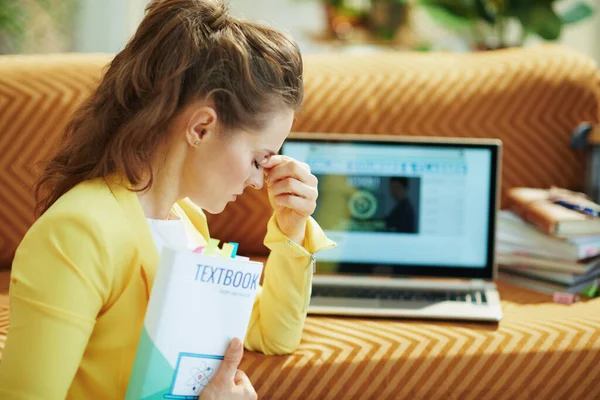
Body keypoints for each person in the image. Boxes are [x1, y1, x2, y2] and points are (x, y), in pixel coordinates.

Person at [0, 0, 335, 398]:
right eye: (258, 158)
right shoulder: (79, 233)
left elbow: (271, 333)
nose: (257, 180)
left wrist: (291, 228)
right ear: (201, 128)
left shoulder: (185, 222)